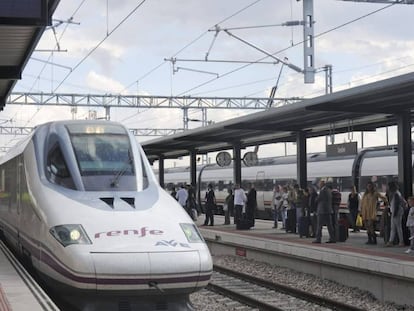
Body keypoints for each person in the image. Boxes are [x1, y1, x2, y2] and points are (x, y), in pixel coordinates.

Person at [386, 181, 406, 247]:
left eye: (388, 187)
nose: (388, 188)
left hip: (396, 212)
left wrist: (394, 213)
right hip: (395, 212)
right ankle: (391, 241)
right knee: (394, 227)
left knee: (397, 227)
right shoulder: (396, 193)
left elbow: (396, 205)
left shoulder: (396, 194)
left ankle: (401, 241)